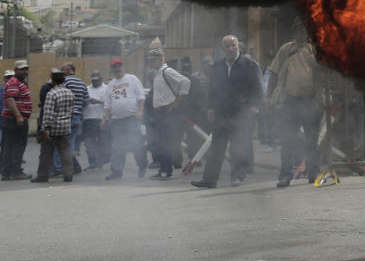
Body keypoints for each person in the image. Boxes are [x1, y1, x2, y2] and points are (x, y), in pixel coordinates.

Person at [191, 35, 263, 189]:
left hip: (241, 112)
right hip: (221, 112)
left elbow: (258, 88)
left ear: (238, 46)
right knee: (217, 146)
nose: (231, 49)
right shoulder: (217, 66)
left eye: (233, 45)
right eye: (227, 46)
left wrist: (254, 107)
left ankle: (237, 177)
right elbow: (212, 89)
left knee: (237, 145)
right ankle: (210, 180)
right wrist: (210, 107)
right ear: (222, 49)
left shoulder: (249, 64)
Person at [268, 24, 324, 188]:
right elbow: (274, 72)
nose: (301, 32)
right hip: (290, 101)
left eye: (303, 30)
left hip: (310, 101)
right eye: (298, 30)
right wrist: (269, 95)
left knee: (311, 140)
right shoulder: (286, 49)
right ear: (293, 32)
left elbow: (325, 70)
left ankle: (314, 174)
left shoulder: (314, 49)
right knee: (287, 140)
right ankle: (285, 176)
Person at [148, 48, 191, 180]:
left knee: (165, 143)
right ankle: (163, 170)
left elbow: (186, 82)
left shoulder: (167, 71)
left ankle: (166, 171)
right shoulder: (158, 74)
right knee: (161, 142)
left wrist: (177, 102)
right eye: (149, 60)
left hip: (167, 112)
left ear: (161, 59)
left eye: (152, 60)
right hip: (160, 112)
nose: (150, 62)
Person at [102, 57, 146, 180]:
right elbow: (107, 104)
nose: (117, 68)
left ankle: (142, 166)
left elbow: (141, 96)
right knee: (117, 146)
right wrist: (104, 119)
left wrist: (140, 110)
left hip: (132, 118)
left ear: (122, 66)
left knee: (136, 144)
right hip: (116, 120)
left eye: (119, 66)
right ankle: (117, 171)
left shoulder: (132, 79)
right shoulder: (111, 84)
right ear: (112, 69)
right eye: (115, 67)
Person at [31, 68, 75, 183]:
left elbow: (48, 112)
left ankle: (43, 176)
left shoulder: (51, 93)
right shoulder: (69, 93)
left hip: (53, 127)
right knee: (65, 151)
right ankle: (68, 174)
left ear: (53, 80)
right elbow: (71, 111)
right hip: (65, 126)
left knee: (46, 153)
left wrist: (46, 128)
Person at [51, 62, 88, 176]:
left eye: (63, 70)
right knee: (70, 143)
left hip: (65, 116)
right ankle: (71, 167)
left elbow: (58, 94)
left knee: (60, 143)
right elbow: (87, 101)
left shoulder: (65, 82)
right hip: (77, 117)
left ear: (68, 70)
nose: (61, 73)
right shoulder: (82, 83)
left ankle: (58, 168)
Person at [0, 60, 33, 181]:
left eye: (26, 69)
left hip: (14, 119)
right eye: (22, 69)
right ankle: (14, 171)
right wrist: (18, 116)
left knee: (11, 145)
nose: (25, 71)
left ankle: (7, 172)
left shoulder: (19, 82)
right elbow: (10, 100)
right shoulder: (14, 82)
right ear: (16, 70)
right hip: (14, 119)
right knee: (17, 145)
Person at [82, 70, 109, 170]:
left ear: (101, 79)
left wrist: (97, 101)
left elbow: (109, 103)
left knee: (102, 142)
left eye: (97, 80)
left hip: (102, 118)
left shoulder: (107, 88)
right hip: (88, 118)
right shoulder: (87, 88)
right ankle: (92, 163)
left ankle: (100, 162)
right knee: (89, 143)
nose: (95, 82)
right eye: (93, 80)